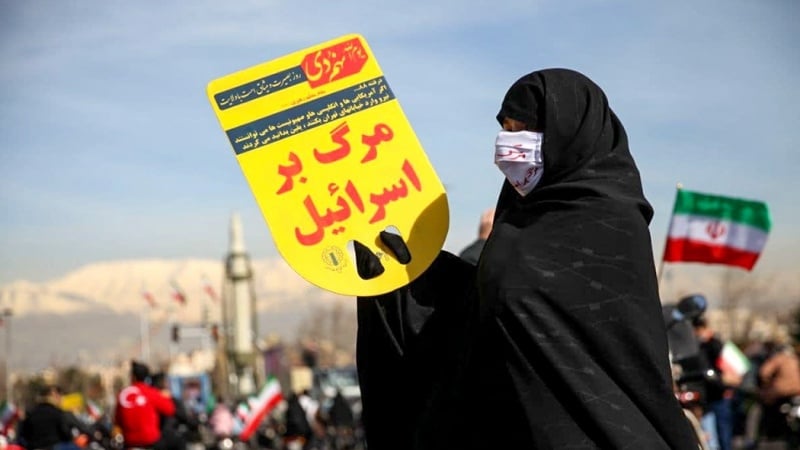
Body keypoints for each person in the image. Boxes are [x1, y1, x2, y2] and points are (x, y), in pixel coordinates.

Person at [354, 68, 699, 449]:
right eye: (505, 128)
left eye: (522, 128)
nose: (508, 143)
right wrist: (410, 273)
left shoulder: (612, 225)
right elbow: (478, 312)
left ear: (569, 131)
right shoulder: (516, 222)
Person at [693, 316, 741, 450]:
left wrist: (724, 385)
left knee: (723, 432)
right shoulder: (703, 345)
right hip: (710, 395)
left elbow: (722, 367)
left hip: (719, 394)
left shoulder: (714, 344)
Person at [114, 361, 175, 450]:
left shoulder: (123, 394)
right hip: (150, 441)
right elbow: (170, 409)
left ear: (132, 376)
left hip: (129, 442)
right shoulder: (151, 392)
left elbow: (117, 420)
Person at [17, 385, 89, 450]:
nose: (60, 399)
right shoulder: (58, 413)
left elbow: (23, 435)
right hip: (54, 446)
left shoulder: (30, 413)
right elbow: (65, 434)